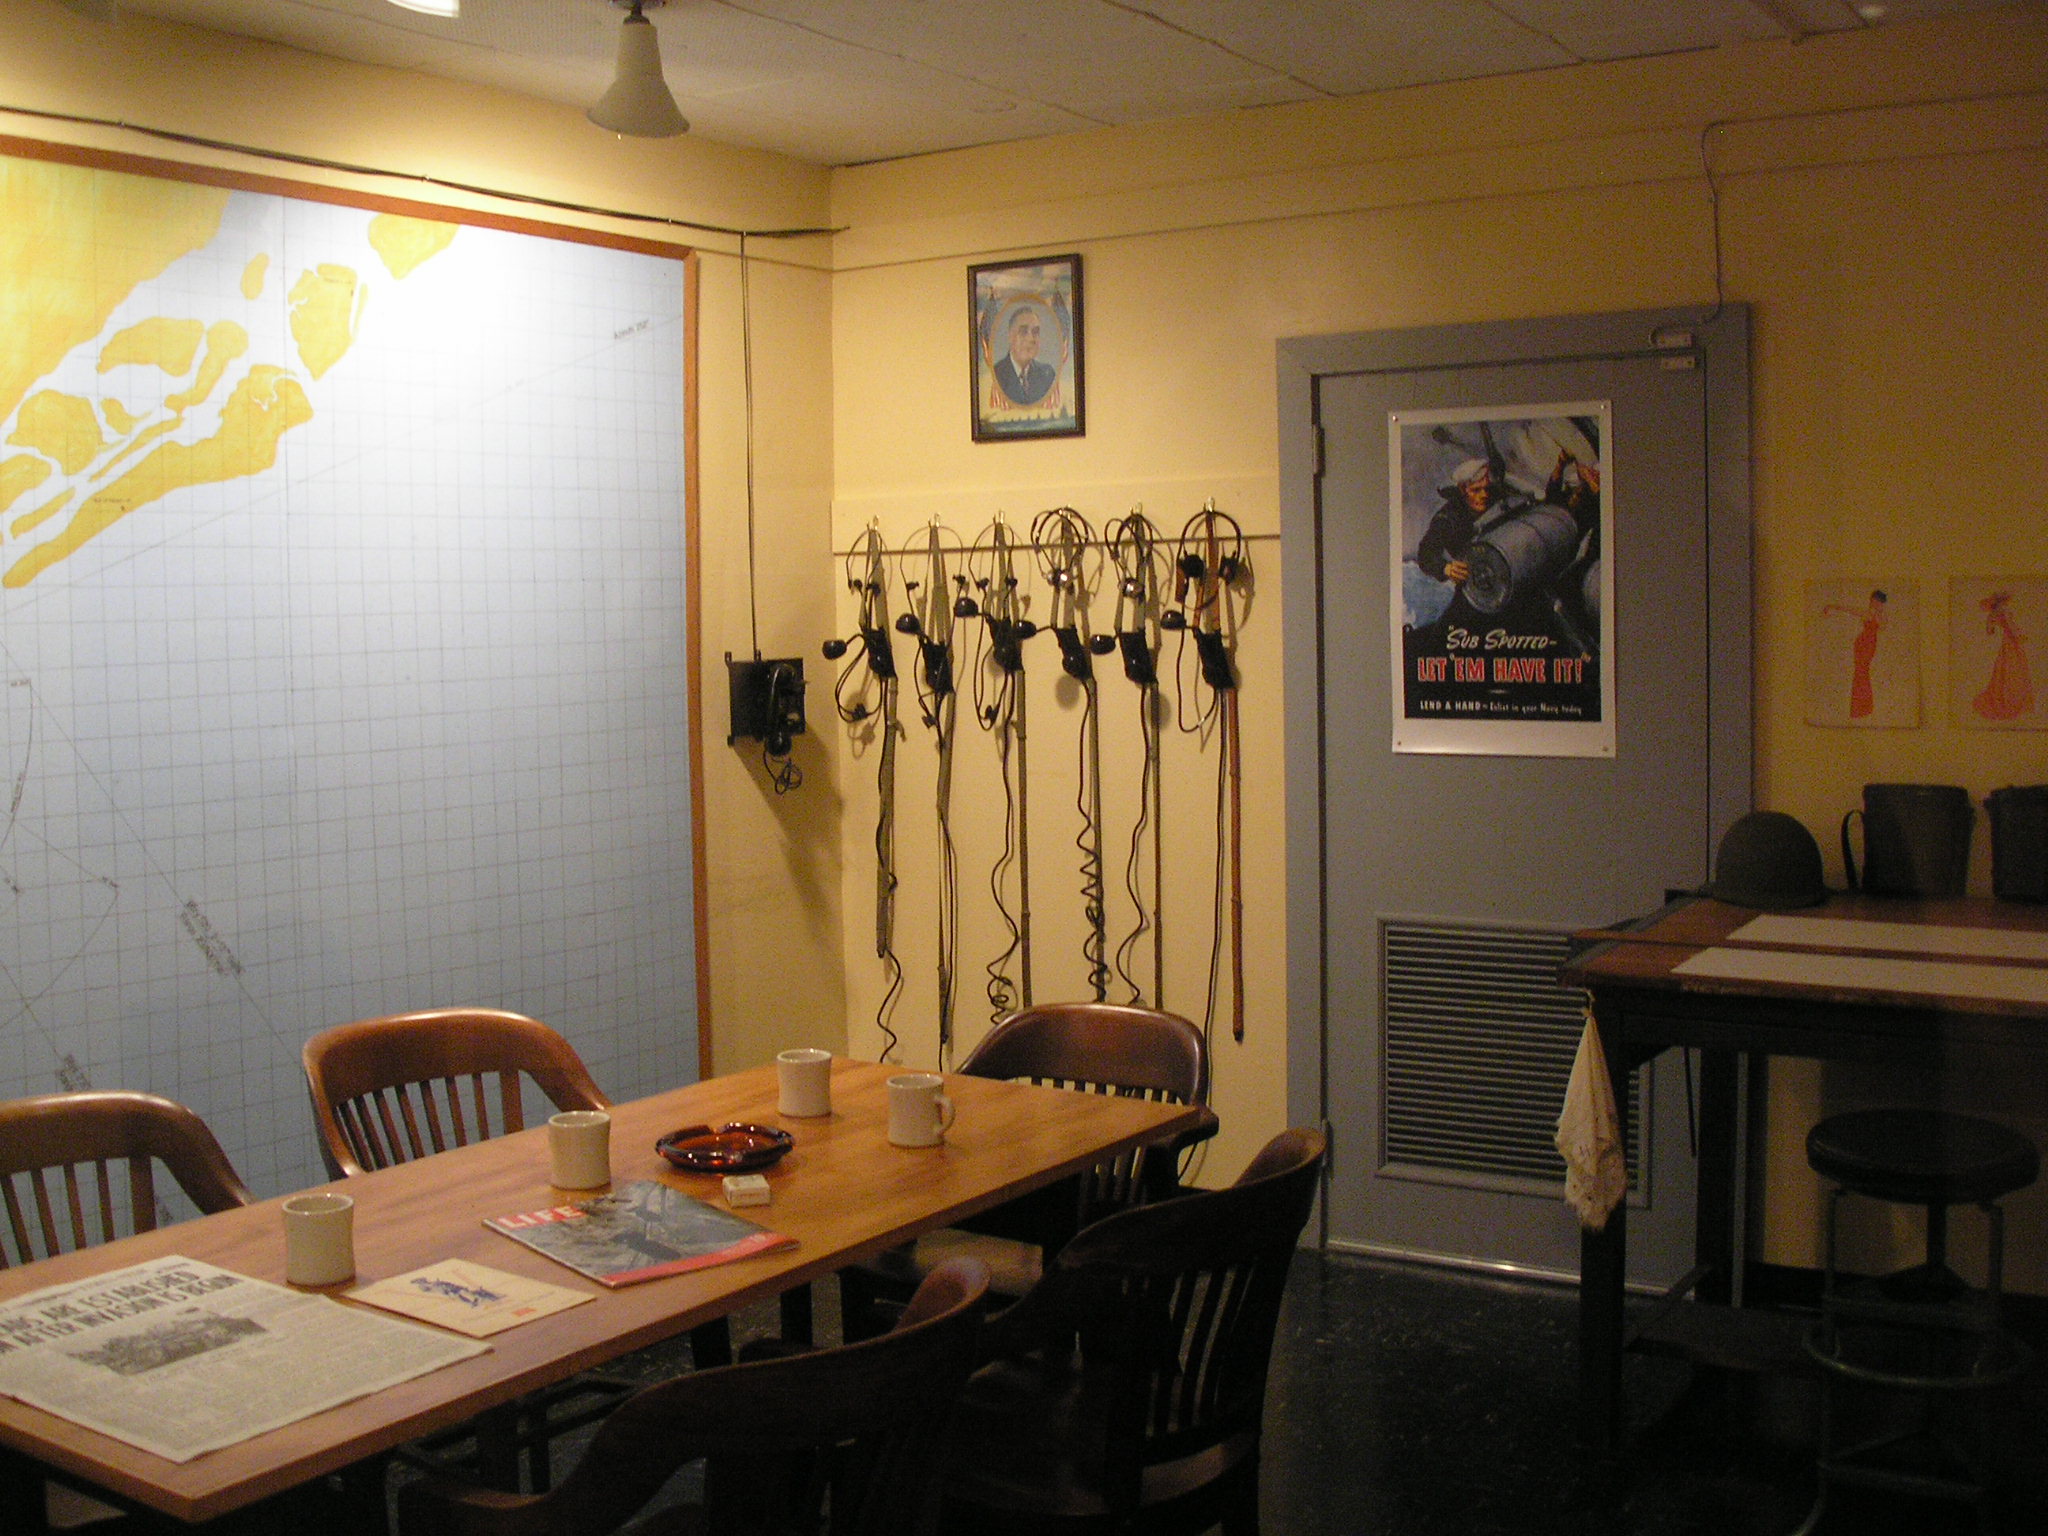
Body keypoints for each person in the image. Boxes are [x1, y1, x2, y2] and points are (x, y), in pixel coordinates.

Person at [992, 305, 1056, 406]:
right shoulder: (996, 374)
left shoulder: (1047, 375)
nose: (1031, 339)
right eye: (1023, 331)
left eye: (1035, 332)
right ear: (1010, 336)